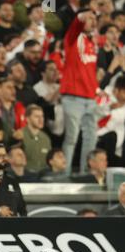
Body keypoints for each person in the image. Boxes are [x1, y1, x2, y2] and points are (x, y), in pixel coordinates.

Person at [61, 10, 100, 175]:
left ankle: (86, 174)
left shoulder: (91, 43)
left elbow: (89, 72)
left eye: (94, 18)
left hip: (90, 98)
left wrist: (97, 90)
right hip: (73, 97)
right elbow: (75, 27)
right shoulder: (72, 39)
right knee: (71, 138)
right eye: (89, 18)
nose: (92, 21)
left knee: (91, 139)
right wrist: (80, 18)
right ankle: (64, 174)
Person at [0, 143, 27, 217]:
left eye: (5, 155)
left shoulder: (12, 180)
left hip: (12, 226)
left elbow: (21, 207)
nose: (4, 159)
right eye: (0, 156)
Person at [21, 104, 52, 173]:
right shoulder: (20, 135)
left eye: (42, 116)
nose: (41, 119)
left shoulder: (46, 138)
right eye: (37, 117)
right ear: (27, 119)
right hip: (25, 176)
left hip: (43, 177)